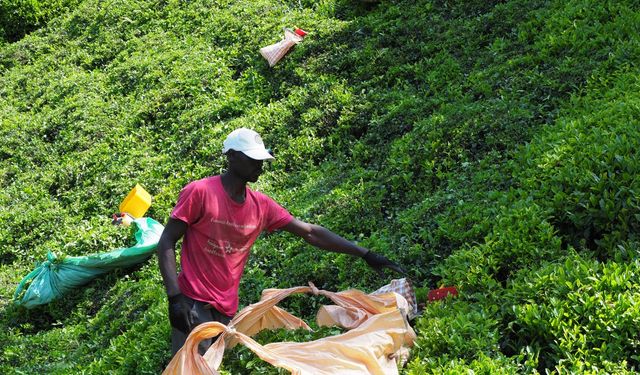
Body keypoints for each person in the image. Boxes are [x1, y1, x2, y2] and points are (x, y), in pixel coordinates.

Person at [157, 127, 405, 355]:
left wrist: (365, 253)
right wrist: (175, 299)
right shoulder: (200, 192)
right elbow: (166, 241)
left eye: (261, 160)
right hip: (193, 303)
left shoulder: (260, 206)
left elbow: (310, 232)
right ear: (231, 156)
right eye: (252, 158)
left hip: (226, 310)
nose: (259, 165)